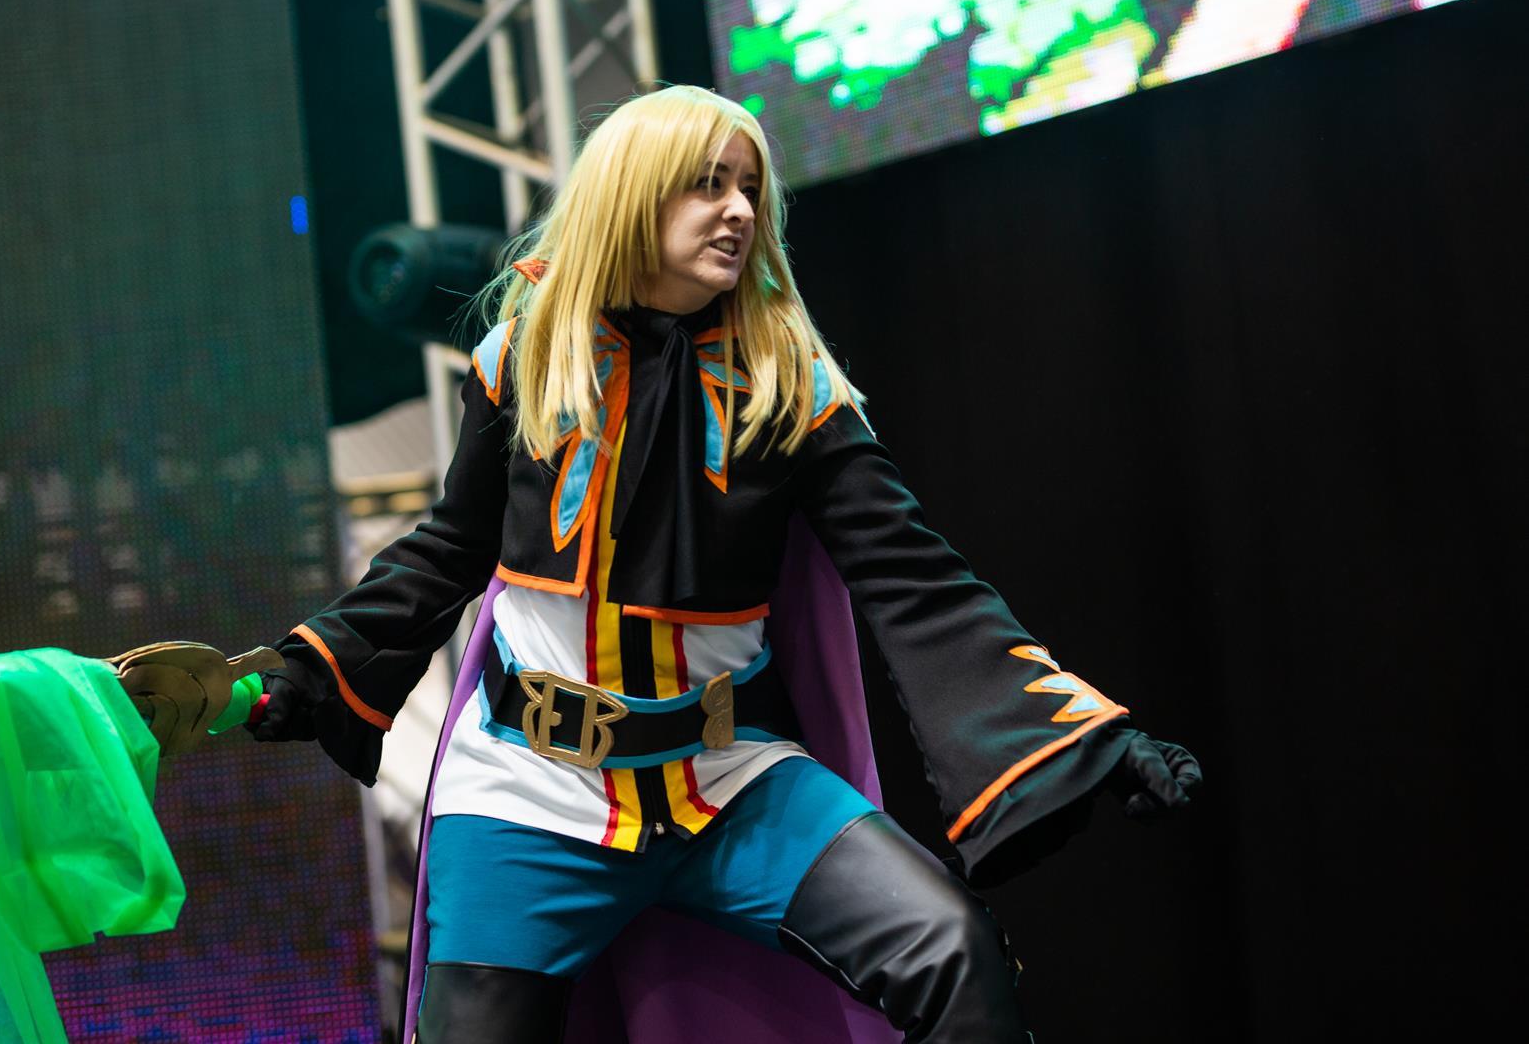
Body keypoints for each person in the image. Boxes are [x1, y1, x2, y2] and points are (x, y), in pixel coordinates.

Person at [248, 85, 1201, 1043]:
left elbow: (915, 578)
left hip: (730, 781)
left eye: (749, 187)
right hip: (525, 793)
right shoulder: (526, 357)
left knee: (953, 950)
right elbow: (452, 545)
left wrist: (1085, 736)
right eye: (708, 184)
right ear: (633, 194)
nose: (739, 209)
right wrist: (312, 665)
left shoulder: (791, 383)